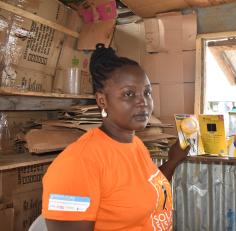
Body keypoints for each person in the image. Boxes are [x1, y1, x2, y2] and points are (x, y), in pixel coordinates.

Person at [42, 43, 189, 231]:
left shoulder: (134, 144)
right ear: (102, 100)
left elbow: (148, 189)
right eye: (129, 94)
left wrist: (173, 161)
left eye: (147, 92)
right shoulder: (78, 163)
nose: (143, 102)